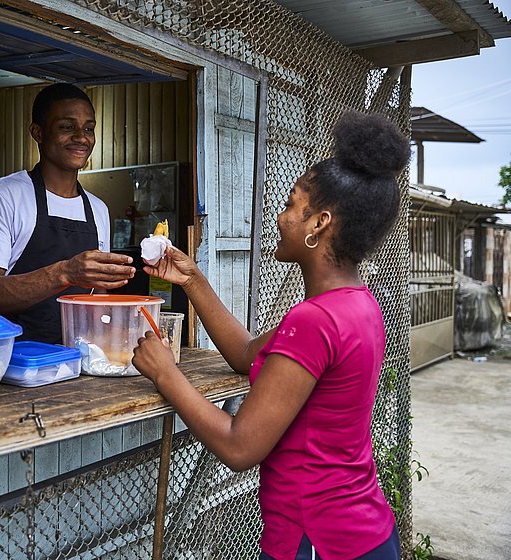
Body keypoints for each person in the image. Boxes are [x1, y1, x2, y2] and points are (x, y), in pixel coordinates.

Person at [132, 111, 410, 560]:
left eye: (290, 204)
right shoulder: (357, 305)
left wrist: (165, 373)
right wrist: (193, 280)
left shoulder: (315, 320)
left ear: (319, 223)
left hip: (319, 540)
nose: (279, 217)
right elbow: (246, 353)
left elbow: (240, 446)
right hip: (364, 532)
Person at [0, 83, 135, 343]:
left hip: (78, 361)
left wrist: (121, 337)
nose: (81, 137)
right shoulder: (3, 195)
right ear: (38, 132)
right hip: (16, 365)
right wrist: (64, 273)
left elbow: (98, 296)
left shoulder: (98, 209)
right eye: (67, 127)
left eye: (89, 128)